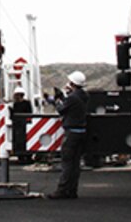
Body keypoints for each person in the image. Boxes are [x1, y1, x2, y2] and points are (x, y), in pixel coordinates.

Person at [47, 71, 89, 199]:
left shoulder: (72, 98)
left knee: (67, 162)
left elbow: (61, 110)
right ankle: (72, 190)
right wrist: (62, 98)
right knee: (75, 164)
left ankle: (62, 190)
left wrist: (57, 100)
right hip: (81, 133)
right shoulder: (84, 96)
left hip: (71, 134)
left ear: (72, 83)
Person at [10, 88, 33, 164]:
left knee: (24, 140)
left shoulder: (26, 103)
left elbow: (29, 114)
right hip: (17, 125)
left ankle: (27, 156)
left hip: (24, 125)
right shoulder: (15, 104)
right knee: (18, 141)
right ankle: (20, 156)